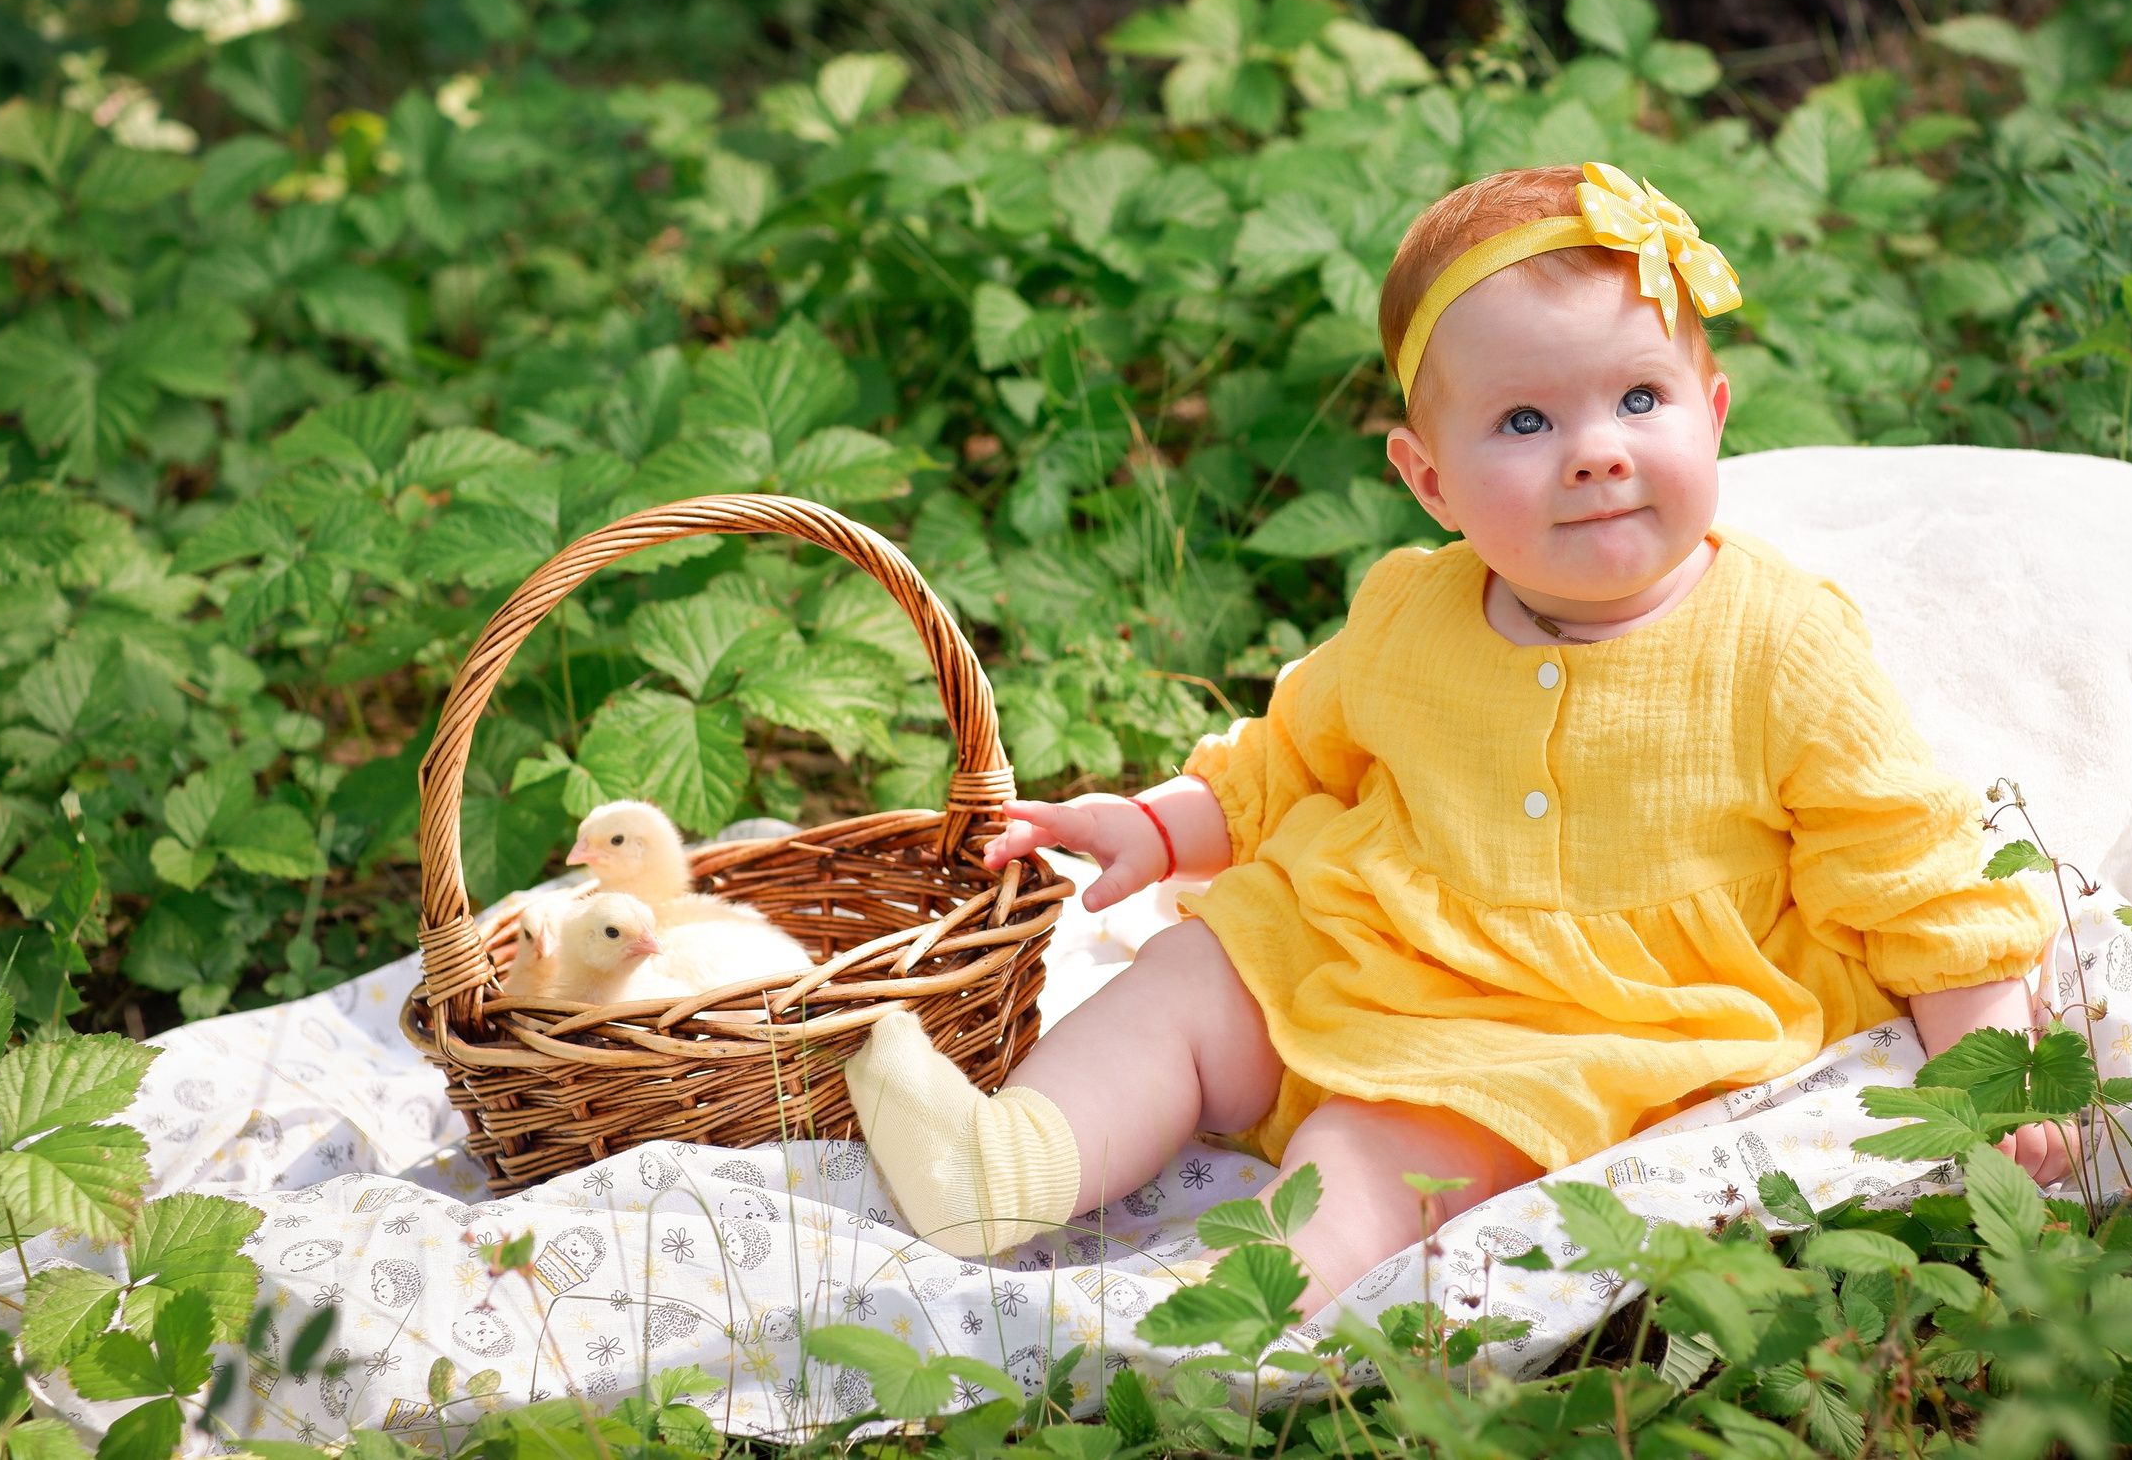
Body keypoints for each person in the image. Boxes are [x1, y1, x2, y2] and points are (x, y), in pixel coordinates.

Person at [845, 162, 2064, 1306]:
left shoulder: (1780, 643)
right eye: (1525, 422)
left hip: (1591, 1018)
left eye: (1640, 399)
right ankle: (1014, 1162)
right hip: (1374, 931)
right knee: (1195, 974)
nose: (1595, 453)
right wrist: (1159, 829)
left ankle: (1232, 1308)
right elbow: (1289, 759)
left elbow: (1908, 869)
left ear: (1712, 414)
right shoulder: (1408, 609)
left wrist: (1992, 1079)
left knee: (1377, 1142)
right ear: (1428, 480)